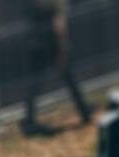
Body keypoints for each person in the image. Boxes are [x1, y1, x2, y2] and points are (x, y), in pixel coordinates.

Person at [24, 0, 91, 135]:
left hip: (40, 32)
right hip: (49, 32)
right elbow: (58, 21)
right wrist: (62, 46)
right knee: (66, 75)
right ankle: (84, 110)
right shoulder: (54, 7)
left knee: (36, 82)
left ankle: (30, 119)